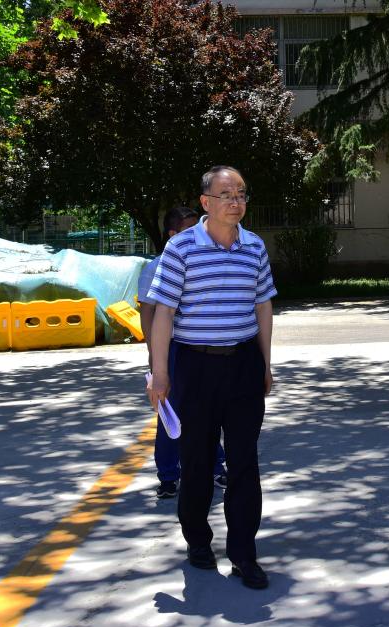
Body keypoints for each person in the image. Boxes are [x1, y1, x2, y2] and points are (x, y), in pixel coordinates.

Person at [146, 166, 277, 589]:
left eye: (241, 194)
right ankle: (198, 541)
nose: (236, 202)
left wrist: (265, 363)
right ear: (206, 202)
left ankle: (244, 554)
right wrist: (160, 372)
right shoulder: (181, 248)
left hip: (243, 365)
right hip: (194, 366)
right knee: (197, 460)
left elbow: (262, 306)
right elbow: (164, 312)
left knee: (244, 461)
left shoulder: (254, 246)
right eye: (226, 195)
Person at [138, 206, 228, 499]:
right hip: (172, 349)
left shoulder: (205, 260)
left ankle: (216, 465)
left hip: (200, 347)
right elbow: (148, 314)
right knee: (170, 411)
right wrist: (155, 356)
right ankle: (168, 475)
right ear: (172, 234)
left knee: (207, 410)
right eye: (189, 229)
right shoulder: (156, 267)